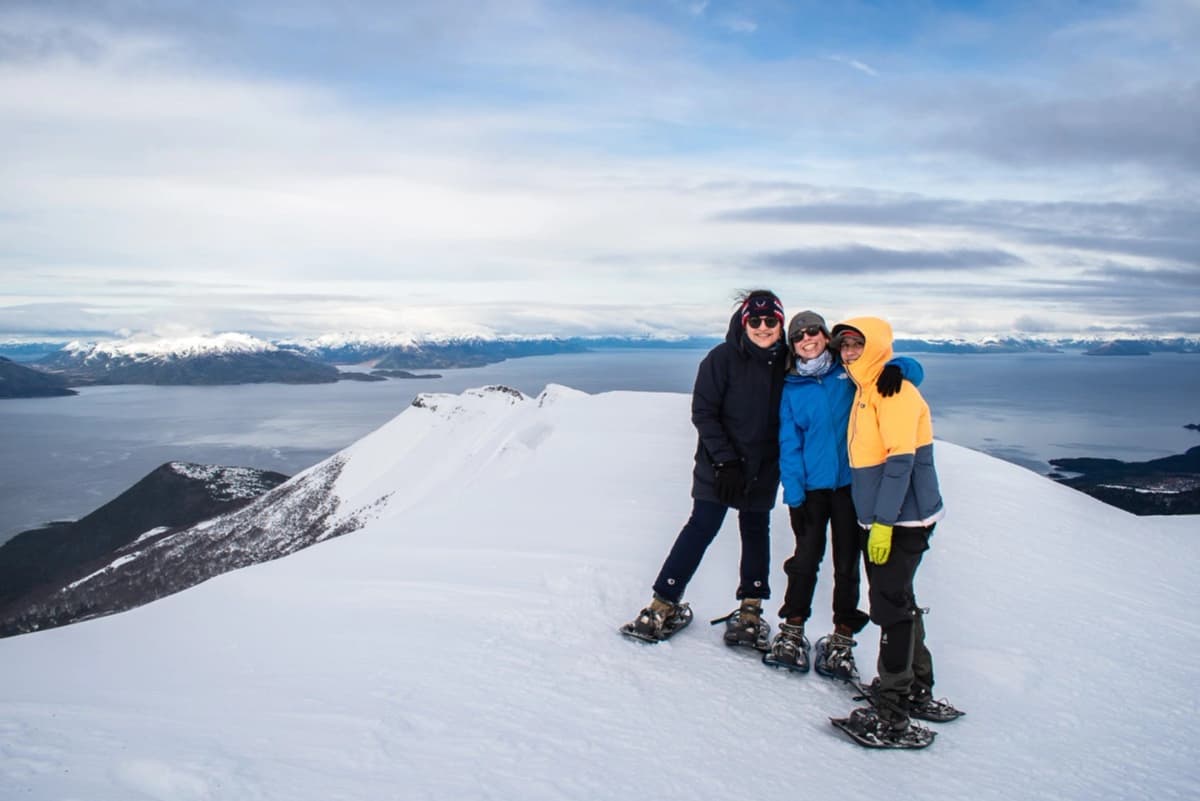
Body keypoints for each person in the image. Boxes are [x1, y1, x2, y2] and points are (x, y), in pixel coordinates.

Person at [624, 290, 789, 648]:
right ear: (744, 323)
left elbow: (836, 361)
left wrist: (901, 368)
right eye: (756, 321)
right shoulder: (722, 358)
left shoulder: (788, 361)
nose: (763, 327)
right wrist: (726, 461)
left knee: (755, 528)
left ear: (781, 324)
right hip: (719, 466)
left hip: (764, 466)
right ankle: (661, 603)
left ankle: (750, 609)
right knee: (701, 526)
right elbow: (704, 412)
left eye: (771, 321)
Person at [769, 311, 923, 677]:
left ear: (825, 335)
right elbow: (789, 444)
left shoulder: (850, 372)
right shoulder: (790, 387)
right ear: (793, 344)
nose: (808, 338)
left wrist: (900, 369)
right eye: (799, 335)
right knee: (805, 559)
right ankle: (793, 627)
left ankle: (842, 636)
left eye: (814, 331)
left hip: (850, 487)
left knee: (846, 562)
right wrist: (793, 495)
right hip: (811, 489)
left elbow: (905, 367)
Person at [830, 316, 956, 743]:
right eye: (843, 345)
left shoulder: (894, 389)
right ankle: (917, 689)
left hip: (901, 520)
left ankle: (893, 712)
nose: (848, 351)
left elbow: (900, 463)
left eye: (856, 344)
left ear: (876, 345)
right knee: (900, 601)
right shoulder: (869, 386)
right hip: (887, 518)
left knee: (890, 610)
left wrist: (883, 523)